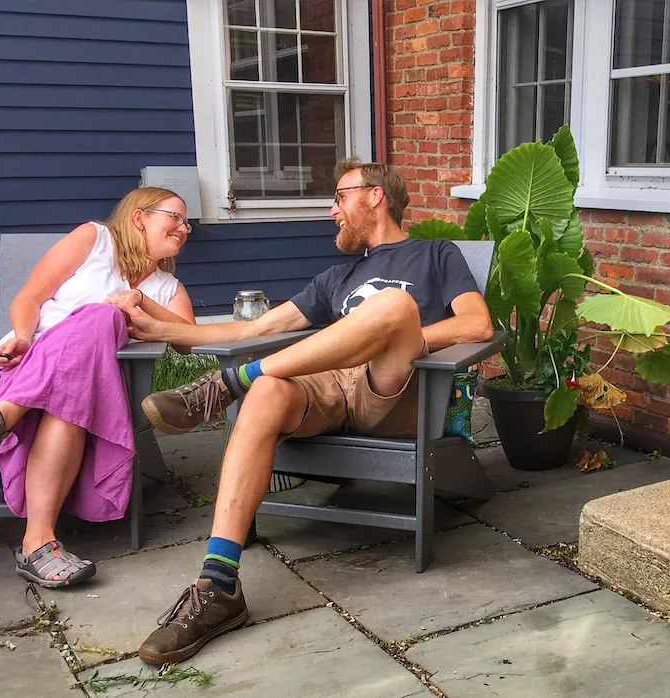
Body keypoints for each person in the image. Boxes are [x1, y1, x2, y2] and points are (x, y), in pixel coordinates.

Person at [106, 158, 493, 665]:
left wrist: (402, 336)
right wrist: (154, 318)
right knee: (268, 393)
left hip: (397, 387)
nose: (332, 210)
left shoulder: (435, 254)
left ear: (374, 195)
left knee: (394, 308)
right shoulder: (336, 277)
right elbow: (249, 330)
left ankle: (229, 384)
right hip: (328, 385)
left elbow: (477, 324)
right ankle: (218, 584)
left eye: (339, 197)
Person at [0, 187, 196, 588]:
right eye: (175, 218)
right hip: (22, 367)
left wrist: (139, 302)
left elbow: (187, 338)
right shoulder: (93, 240)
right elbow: (30, 297)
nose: (184, 229)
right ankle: (37, 544)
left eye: (187, 223)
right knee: (97, 332)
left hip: (85, 393)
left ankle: (1, 421)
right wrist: (24, 336)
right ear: (139, 218)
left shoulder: (167, 288)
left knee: (100, 324)